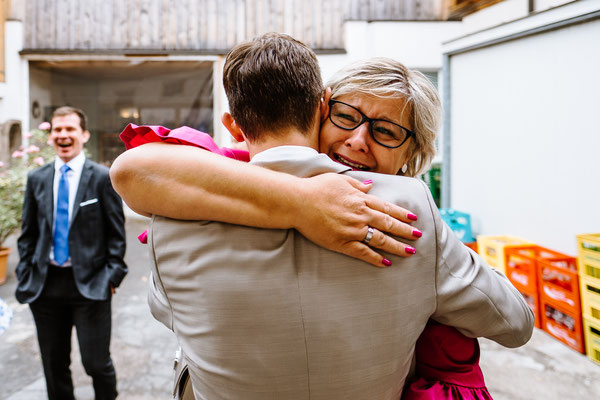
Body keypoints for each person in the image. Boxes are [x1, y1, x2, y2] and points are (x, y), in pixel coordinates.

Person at [111, 33, 534, 399]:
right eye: (347, 117)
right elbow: (514, 322)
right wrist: (301, 201)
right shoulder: (413, 209)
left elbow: (171, 314)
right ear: (321, 107)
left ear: (413, 152)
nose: (356, 141)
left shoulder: (181, 210)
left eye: (386, 132)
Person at [16, 106, 128, 400]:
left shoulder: (103, 177)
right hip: (45, 285)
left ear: (84, 135)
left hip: (91, 286)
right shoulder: (36, 179)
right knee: (54, 365)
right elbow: (28, 233)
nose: (63, 135)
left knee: (96, 363)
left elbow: (117, 234)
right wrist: (25, 273)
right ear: (51, 135)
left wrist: (112, 276)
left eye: (70, 129)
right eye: (57, 129)